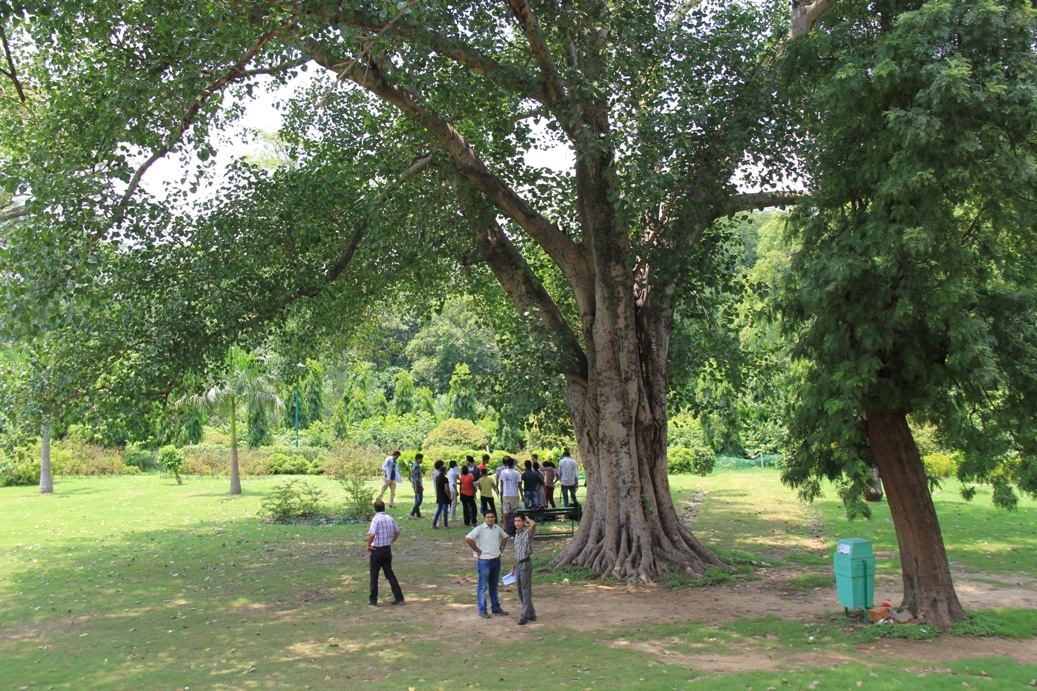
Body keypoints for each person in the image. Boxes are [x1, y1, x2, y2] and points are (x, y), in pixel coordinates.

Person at [464, 511, 509, 619]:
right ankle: (482, 609)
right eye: (488, 517)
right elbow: (468, 538)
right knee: (482, 586)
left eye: (492, 517)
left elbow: (505, 536)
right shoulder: (480, 529)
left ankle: (496, 607)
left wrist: (501, 548)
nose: (490, 519)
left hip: (496, 559)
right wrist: (477, 550)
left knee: (494, 586)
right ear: (484, 518)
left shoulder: (497, 528)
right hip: (484, 560)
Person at [366, 500, 404, 606]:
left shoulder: (376, 519)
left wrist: (368, 545)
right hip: (387, 550)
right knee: (389, 574)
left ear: (375, 509)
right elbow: (397, 532)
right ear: (384, 508)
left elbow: (372, 535)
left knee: (374, 575)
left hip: (376, 550)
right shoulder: (389, 518)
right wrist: (391, 541)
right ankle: (399, 597)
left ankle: (373, 600)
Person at [510, 514, 537, 625]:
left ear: (523, 522)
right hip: (519, 564)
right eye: (515, 521)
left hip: (525, 563)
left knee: (526, 590)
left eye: (519, 521)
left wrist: (527, 519)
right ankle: (531, 613)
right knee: (520, 591)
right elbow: (517, 552)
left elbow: (534, 524)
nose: (517, 523)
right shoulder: (516, 534)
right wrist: (513, 566)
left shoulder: (527, 532)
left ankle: (524, 615)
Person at [498, 457, 522, 524]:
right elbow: (519, 485)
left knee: (505, 511)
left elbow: (501, 483)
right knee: (515, 511)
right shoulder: (516, 473)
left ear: (506, 464)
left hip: (505, 494)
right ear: (513, 464)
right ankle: (514, 524)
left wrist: (502, 492)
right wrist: (522, 495)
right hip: (514, 494)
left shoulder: (503, 472)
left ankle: (505, 525)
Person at [432, 460, 451, 529]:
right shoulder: (445, 479)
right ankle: (446, 524)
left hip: (439, 495)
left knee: (439, 510)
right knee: (445, 510)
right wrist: (449, 496)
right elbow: (446, 489)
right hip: (444, 496)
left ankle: (434, 524)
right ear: (444, 471)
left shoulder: (437, 477)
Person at [409, 453, 424, 519]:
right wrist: (416, 486)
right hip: (417, 484)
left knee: (417, 499)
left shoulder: (416, 466)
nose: (422, 460)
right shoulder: (416, 466)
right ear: (418, 459)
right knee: (419, 500)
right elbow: (415, 477)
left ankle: (418, 514)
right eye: (421, 459)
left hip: (418, 484)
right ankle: (412, 513)